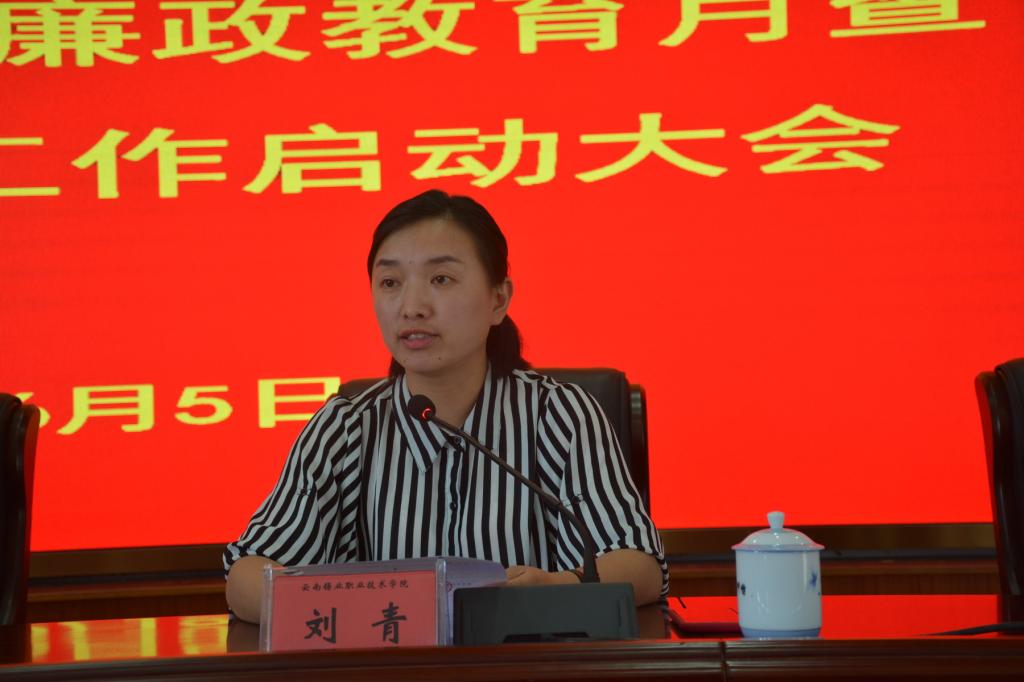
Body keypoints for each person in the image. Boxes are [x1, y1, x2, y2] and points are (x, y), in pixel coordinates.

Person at [224, 189, 667, 623]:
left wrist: (557, 589)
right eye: (390, 283)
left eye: (441, 279)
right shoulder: (346, 428)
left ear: (498, 299)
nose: (412, 307)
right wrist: (356, 611)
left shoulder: (558, 414)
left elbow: (639, 564)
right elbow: (247, 575)